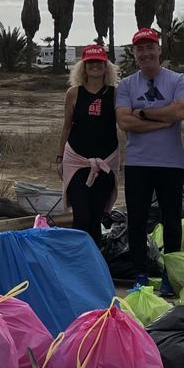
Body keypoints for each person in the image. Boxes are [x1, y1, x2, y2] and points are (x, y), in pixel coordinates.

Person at [115, 27, 184, 279]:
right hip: (138, 163)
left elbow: (180, 112)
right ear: (134, 52)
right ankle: (140, 274)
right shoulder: (126, 85)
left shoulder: (178, 80)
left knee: (171, 220)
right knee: (136, 221)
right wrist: (163, 120)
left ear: (159, 49)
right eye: (140, 49)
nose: (146, 53)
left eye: (150, 47)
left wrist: (143, 112)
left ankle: (171, 275)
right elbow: (124, 122)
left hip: (171, 163)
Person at [57, 44, 122, 241]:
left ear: (106, 66)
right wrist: (59, 157)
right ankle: (78, 255)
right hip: (77, 161)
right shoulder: (73, 93)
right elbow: (67, 126)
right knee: (81, 216)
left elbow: (124, 123)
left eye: (99, 62)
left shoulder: (116, 94)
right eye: (90, 62)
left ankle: (96, 256)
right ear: (83, 67)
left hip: (106, 161)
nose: (95, 65)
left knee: (96, 217)